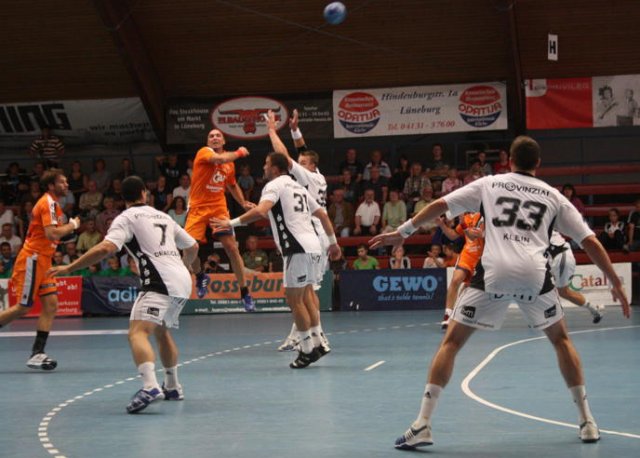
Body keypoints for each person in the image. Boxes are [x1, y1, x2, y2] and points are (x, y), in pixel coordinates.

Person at [370, 135, 630, 448]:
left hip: (493, 273)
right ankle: (587, 421)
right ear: (538, 163)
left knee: (451, 342)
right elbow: (590, 241)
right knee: (561, 341)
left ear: (510, 160)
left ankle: (422, 424)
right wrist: (615, 281)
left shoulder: (489, 184)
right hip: (535, 275)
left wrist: (403, 232)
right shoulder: (554, 196)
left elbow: (440, 205)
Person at [47, 176, 198, 413]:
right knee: (161, 330)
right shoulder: (163, 216)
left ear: (123, 198)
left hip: (159, 282)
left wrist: (70, 267)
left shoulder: (127, 217)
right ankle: (172, 386)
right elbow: (193, 247)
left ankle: (150, 386)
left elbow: (107, 248)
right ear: (144, 193)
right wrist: (186, 265)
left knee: (137, 333)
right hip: (182, 280)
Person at [211, 152, 340, 369]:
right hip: (313, 246)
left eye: (266, 164)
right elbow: (323, 216)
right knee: (307, 295)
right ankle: (318, 342)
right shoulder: (298, 187)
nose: (263, 167)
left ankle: (307, 350)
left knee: (294, 300)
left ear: (275, 168)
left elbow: (262, 210)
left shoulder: (274, 185)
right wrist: (333, 243)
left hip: (296, 248)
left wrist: (230, 223)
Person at [266, 109, 332, 353]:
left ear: (311, 166)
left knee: (306, 292)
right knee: (306, 291)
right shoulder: (317, 175)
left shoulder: (305, 177)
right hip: (316, 235)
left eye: (302, 163)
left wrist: (272, 130)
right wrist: (295, 130)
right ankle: (305, 335)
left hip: (309, 235)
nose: (299, 164)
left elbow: (283, 157)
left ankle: (315, 336)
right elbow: (303, 151)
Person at [0, 169, 80, 370]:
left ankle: (37, 353)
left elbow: (51, 236)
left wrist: (65, 232)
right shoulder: (48, 203)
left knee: (51, 304)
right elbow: (52, 234)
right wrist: (72, 225)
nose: (67, 185)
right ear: (51, 186)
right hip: (33, 259)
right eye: (62, 182)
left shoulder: (54, 206)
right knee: (23, 307)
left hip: (44, 261)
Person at [184, 128, 255, 310]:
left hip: (218, 208)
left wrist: (243, 202)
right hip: (198, 207)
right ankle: (200, 276)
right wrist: (240, 152)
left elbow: (232, 185)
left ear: (223, 141)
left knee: (232, 248)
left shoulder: (229, 164)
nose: (214, 138)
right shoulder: (204, 152)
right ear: (208, 142)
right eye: (211, 136)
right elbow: (219, 159)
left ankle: (245, 292)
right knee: (190, 248)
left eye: (218, 136)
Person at [435, 213, 484, 329]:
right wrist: (442, 225)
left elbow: (475, 236)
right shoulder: (467, 217)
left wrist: (464, 225)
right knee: (456, 280)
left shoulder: (484, 216)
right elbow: (453, 235)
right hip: (467, 254)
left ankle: (457, 313)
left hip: (481, 257)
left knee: (468, 287)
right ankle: (448, 314)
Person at [547, 231, 604, 323]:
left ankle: (594, 310)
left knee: (563, 291)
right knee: (556, 290)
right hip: (552, 258)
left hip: (559, 255)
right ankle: (594, 309)